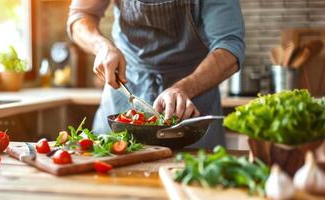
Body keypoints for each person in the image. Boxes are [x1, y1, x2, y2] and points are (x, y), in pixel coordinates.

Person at [67, 0, 245, 148]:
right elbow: (80, 16)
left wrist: (184, 88)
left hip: (192, 101)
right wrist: (101, 46)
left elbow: (229, 45)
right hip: (126, 89)